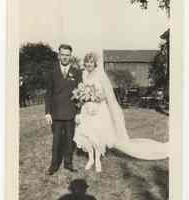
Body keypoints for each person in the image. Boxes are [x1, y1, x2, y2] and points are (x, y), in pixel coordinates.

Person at [74, 52, 169, 173]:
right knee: (87, 134)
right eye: (87, 62)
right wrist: (83, 98)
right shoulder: (83, 75)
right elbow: (80, 91)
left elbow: (106, 94)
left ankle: (97, 160)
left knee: (98, 134)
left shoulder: (100, 75)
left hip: (99, 108)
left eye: (91, 62)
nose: (88, 64)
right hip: (86, 108)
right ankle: (90, 159)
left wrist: (96, 98)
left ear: (95, 63)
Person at [45, 44, 82, 175]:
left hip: (71, 113)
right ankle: (54, 165)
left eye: (68, 55)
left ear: (70, 56)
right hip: (56, 114)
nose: (65, 57)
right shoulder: (52, 72)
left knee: (69, 140)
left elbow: (80, 94)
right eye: (63, 54)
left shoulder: (77, 72)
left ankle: (68, 163)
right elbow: (48, 93)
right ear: (59, 55)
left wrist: (78, 113)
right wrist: (47, 112)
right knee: (56, 141)